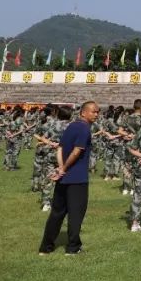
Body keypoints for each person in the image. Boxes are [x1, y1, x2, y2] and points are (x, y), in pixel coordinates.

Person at [39, 101, 99, 255]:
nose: (96, 114)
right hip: (77, 179)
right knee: (75, 215)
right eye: (93, 111)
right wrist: (64, 168)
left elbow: (60, 148)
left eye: (97, 112)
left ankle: (46, 247)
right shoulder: (84, 129)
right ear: (83, 113)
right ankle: (72, 248)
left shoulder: (71, 126)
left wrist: (60, 168)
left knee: (57, 214)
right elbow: (76, 151)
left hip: (63, 178)